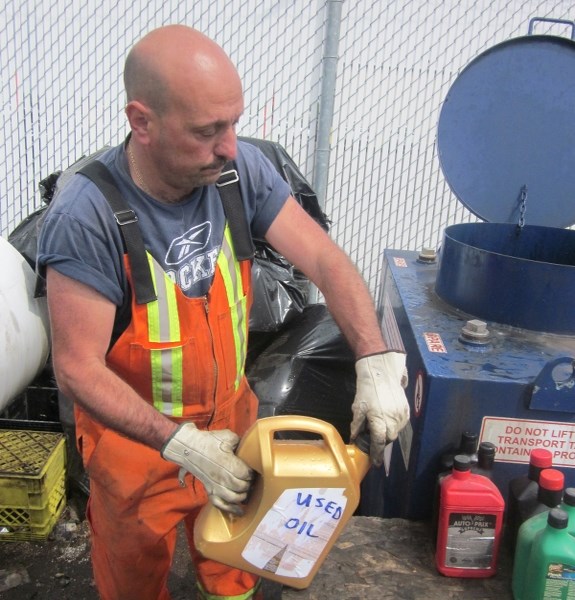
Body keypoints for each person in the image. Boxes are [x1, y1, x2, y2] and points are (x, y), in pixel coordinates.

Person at [37, 25, 409, 600]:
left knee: (237, 571)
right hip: (137, 453)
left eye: (234, 121)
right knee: (133, 580)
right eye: (208, 131)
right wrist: (181, 445)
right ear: (142, 121)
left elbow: (327, 261)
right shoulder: (87, 215)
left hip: (236, 433)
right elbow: (76, 368)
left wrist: (376, 357)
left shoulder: (238, 172)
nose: (230, 145)